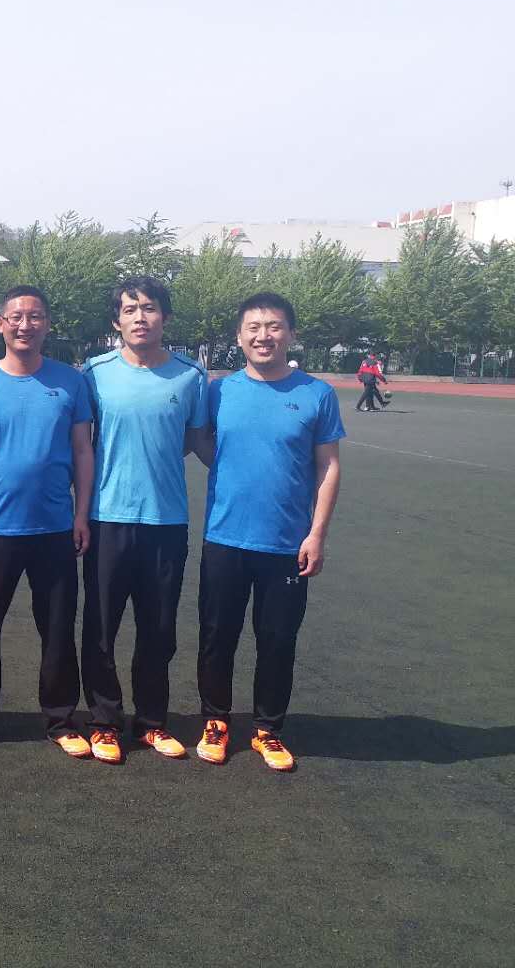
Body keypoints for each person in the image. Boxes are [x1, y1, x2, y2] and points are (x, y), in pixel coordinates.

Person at [190, 292, 343, 772]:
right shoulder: (219, 392)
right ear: (239, 337)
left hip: (286, 544)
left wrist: (317, 534)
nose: (263, 336)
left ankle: (267, 729)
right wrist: (229, 468)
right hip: (225, 537)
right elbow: (200, 439)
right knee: (217, 635)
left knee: (278, 639)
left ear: (290, 334)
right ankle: (216, 720)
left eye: (274, 326)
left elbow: (328, 466)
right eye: (253, 327)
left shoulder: (317, 394)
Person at [0, 285, 95, 756]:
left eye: (35, 317)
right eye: (16, 317)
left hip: (54, 527)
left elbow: (82, 450)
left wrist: (81, 514)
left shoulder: (71, 383)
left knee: (57, 627)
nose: (25, 325)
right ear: (1, 324)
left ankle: (61, 719)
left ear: (47, 324)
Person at [80, 277, 207, 764]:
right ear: (117, 321)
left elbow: (195, 440)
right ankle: (104, 722)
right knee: (101, 628)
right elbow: (82, 443)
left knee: (158, 628)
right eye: (130, 310)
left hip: (165, 521)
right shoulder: (94, 373)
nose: (140, 317)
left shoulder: (191, 377)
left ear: (165, 317)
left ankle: (152, 722)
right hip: (106, 518)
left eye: (149, 308)